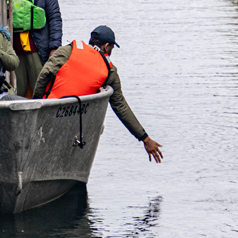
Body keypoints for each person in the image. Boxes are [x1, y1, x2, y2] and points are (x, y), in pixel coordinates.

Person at [34, 25, 163, 163]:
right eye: (112, 48)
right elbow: (120, 107)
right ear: (107, 46)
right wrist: (145, 138)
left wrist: (37, 105)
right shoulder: (109, 70)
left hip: (46, 113)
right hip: (73, 125)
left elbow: (44, 75)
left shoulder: (68, 50)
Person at [6, 0, 62, 98]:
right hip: (14, 50)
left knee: (41, 85)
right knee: (19, 88)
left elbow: (54, 18)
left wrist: (54, 46)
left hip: (37, 47)